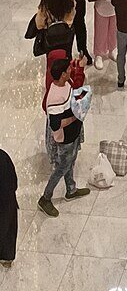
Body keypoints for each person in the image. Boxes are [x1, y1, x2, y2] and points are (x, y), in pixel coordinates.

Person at [39, 57, 90, 217]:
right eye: (68, 70)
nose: (70, 71)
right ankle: (45, 198)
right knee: (62, 166)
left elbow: (76, 88)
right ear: (62, 74)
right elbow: (55, 124)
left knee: (70, 162)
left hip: (72, 134)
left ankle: (71, 189)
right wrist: (75, 117)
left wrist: (78, 68)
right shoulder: (55, 97)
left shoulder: (64, 83)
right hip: (65, 138)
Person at [0, 146, 16, 268]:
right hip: (6, 204)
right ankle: (6, 258)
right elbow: (14, 183)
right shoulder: (3, 157)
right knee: (8, 231)